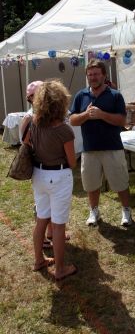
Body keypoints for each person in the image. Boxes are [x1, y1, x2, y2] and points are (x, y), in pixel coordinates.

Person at [23, 79, 77, 280]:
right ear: (61, 101)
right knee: (58, 225)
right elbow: (72, 162)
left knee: (41, 220)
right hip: (58, 176)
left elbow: (28, 145)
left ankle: (39, 260)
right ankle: (60, 268)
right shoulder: (64, 130)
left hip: (39, 175)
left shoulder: (32, 122)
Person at [69, 59, 132, 226]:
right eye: (90, 75)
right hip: (89, 149)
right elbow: (73, 120)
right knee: (91, 183)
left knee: (120, 182)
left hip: (112, 147)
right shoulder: (81, 95)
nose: (93, 77)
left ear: (104, 75)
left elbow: (121, 121)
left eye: (96, 74)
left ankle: (126, 211)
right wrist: (86, 114)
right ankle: (94, 211)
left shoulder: (115, 95)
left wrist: (102, 114)